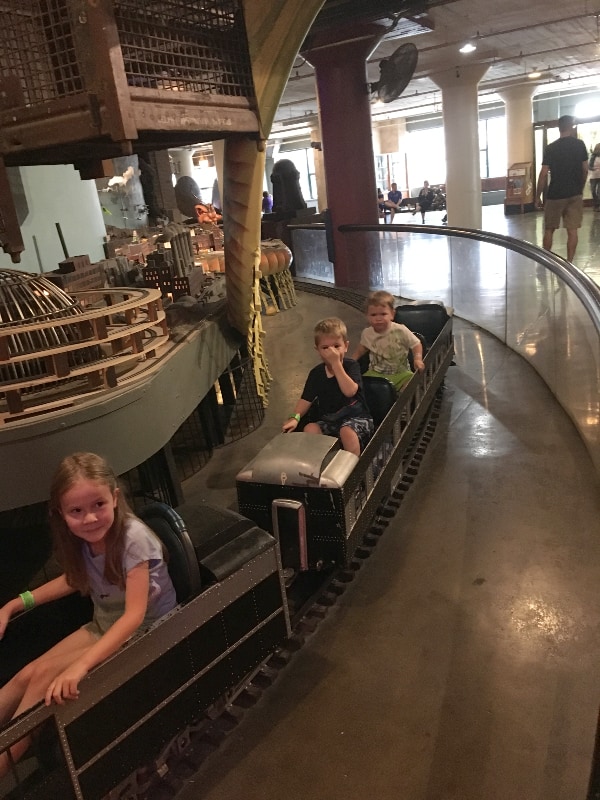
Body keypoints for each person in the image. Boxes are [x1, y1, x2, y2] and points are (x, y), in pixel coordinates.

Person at [0, 452, 177, 773]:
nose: (90, 518)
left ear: (115, 497)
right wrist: (16, 603)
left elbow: (134, 616)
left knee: (43, 678)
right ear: (61, 514)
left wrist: (79, 667)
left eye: (98, 505)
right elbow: (75, 579)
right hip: (105, 625)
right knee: (29, 672)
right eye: (77, 511)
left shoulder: (133, 539)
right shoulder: (83, 538)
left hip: (146, 634)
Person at [282, 317, 373, 456]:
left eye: (336, 346)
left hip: (357, 418)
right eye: (325, 348)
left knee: (347, 431)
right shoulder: (316, 374)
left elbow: (350, 391)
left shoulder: (351, 366)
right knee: (310, 428)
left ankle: (354, 469)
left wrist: (336, 364)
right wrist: (294, 417)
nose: (332, 352)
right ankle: (318, 464)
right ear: (318, 350)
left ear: (346, 346)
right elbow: (306, 399)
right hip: (330, 420)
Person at [535, 115, 588, 262]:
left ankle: (547, 261)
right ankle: (569, 262)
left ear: (559, 128)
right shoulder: (580, 145)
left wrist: (538, 196)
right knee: (572, 231)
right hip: (574, 193)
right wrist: (580, 188)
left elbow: (543, 173)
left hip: (555, 194)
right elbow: (585, 169)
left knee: (549, 229)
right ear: (571, 127)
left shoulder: (551, 148)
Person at [352, 290, 425, 391]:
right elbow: (362, 349)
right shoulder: (367, 333)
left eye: (383, 314)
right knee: (359, 386)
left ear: (392, 314)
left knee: (412, 387)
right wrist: (351, 360)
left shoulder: (400, 330)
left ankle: (403, 403)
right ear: (367, 316)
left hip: (401, 373)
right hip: (375, 373)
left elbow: (416, 344)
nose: (378, 318)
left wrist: (417, 358)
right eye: (373, 315)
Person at [589, 144, 600, 211]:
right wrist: (594, 168)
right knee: (593, 190)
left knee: (599, 191)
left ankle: (598, 205)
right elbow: (590, 166)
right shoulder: (593, 157)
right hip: (593, 175)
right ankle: (596, 203)